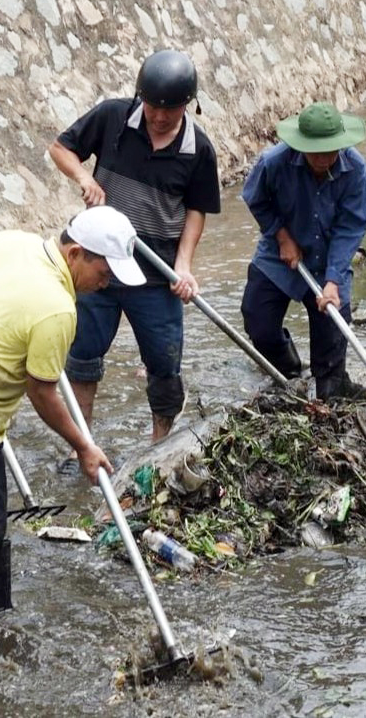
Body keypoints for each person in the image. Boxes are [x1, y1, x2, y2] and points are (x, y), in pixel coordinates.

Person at [0, 206, 139, 656]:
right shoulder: (56, 310)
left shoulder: (11, 242)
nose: (106, 283)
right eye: (104, 271)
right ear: (76, 253)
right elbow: (42, 392)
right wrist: (84, 447)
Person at [48, 49, 221, 444]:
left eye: (170, 111)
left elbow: (197, 211)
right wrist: (82, 177)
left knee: (163, 362)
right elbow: (60, 148)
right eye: (152, 107)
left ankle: (159, 444)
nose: (158, 117)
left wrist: (184, 265)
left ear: (187, 106)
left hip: (155, 270)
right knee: (82, 356)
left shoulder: (198, 150)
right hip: (97, 265)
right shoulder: (112, 118)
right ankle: (82, 444)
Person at [240, 101, 366, 400]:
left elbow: (350, 227)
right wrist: (282, 235)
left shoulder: (356, 170)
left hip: (328, 258)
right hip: (279, 254)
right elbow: (254, 198)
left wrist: (334, 280)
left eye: (330, 151)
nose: (323, 159)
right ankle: (289, 371)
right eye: (315, 152)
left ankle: (329, 389)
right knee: (258, 323)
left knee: (330, 354)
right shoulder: (273, 162)